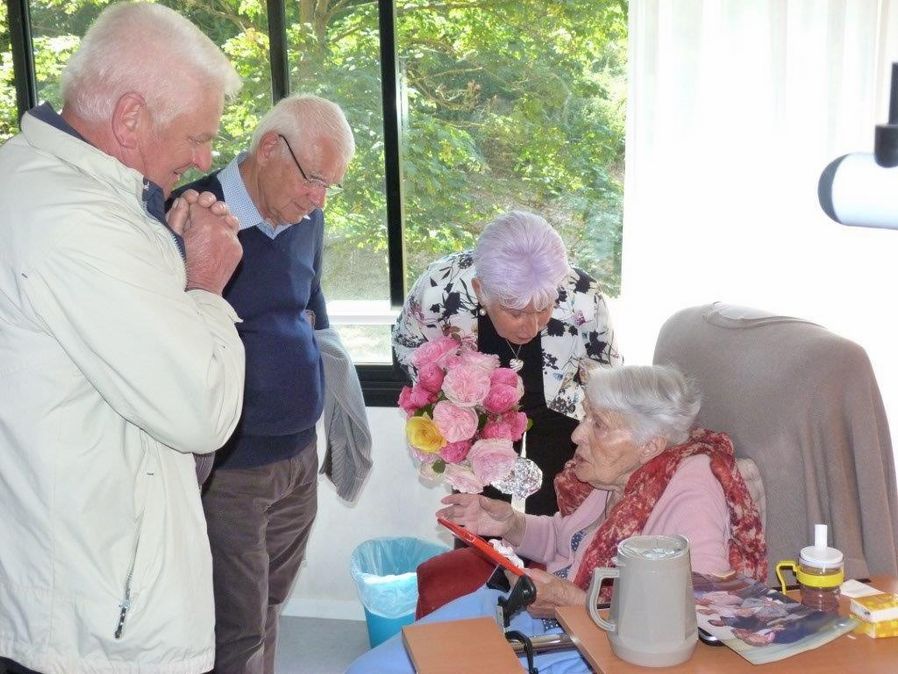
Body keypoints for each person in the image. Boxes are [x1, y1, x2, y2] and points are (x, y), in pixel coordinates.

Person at [0, 3, 245, 673]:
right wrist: (206, 279)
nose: (203, 160)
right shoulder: (71, 221)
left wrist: (166, 241)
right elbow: (204, 408)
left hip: (77, 595)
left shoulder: (44, 184)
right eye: (197, 137)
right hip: (92, 632)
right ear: (130, 118)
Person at [347, 364, 767, 674]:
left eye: (597, 424)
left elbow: (697, 609)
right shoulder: (619, 479)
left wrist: (572, 598)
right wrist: (508, 524)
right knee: (370, 671)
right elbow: (565, 540)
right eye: (586, 416)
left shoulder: (690, 488)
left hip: (590, 643)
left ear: (649, 445)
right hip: (534, 613)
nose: (577, 434)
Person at [171, 93, 356, 674]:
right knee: (234, 626)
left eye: (331, 187)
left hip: (298, 452)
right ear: (269, 148)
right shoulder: (192, 216)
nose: (319, 200)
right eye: (314, 180)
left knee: (271, 606)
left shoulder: (307, 219)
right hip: (232, 467)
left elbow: (309, 303)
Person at [393, 210, 622, 516]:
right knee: (479, 513)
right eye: (515, 312)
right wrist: (443, 401)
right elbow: (407, 348)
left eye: (543, 308)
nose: (531, 326)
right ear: (480, 290)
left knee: (559, 511)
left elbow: (608, 376)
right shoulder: (440, 288)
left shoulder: (582, 295)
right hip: (478, 415)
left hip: (559, 414)